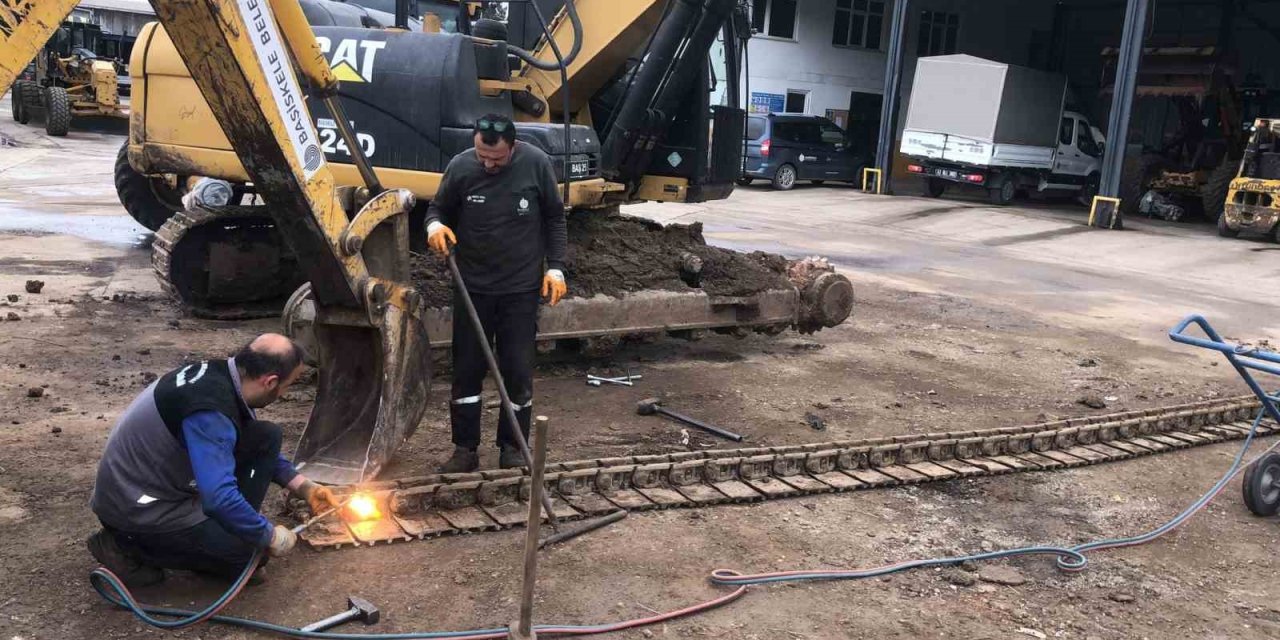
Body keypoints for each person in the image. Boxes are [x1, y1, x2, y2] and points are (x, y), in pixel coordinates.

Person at [87, 334, 340, 587]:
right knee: (248, 556)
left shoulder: (223, 377)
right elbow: (218, 498)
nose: (284, 392)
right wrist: (269, 536)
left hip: (148, 486)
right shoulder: (210, 412)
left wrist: (304, 487)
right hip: (137, 511)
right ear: (270, 381)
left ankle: (223, 538)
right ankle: (122, 546)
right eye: (287, 386)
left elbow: (249, 444)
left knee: (266, 436)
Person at [425, 113, 567, 472]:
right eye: (482, 156)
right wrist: (435, 226)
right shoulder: (461, 166)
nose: (488, 164)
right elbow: (437, 208)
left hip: (520, 290)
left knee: (517, 370)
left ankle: (512, 446)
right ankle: (464, 449)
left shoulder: (535, 164)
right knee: (467, 370)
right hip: (472, 288)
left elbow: (554, 217)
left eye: (497, 159)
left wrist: (556, 266)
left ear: (512, 146)